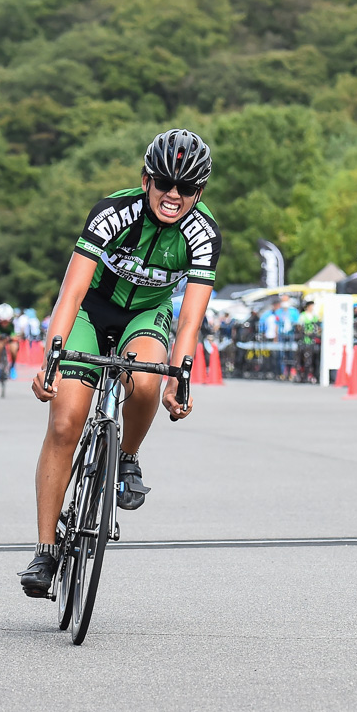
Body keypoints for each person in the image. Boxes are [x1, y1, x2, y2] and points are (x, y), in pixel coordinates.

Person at [20, 128, 221, 597]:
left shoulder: (203, 234)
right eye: (165, 183)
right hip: (93, 309)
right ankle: (45, 551)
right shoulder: (113, 212)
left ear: (200, 192)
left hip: (147, 314)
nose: (174, 196)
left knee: (149, 382)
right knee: (66, 422)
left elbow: (190, 319)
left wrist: (182, 377)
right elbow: (70, 292)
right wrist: (51, 356)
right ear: (146, 179)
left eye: (187, 188)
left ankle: (126, 457)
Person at [0, 302, 20, 381]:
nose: (4, 324)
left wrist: (10, 338)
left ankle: (12, 367)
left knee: (14, 349)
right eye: (2, 322)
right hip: (0, 336)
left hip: (11, 336)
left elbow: (17, 336)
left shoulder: (15, 321)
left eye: (6, 322)